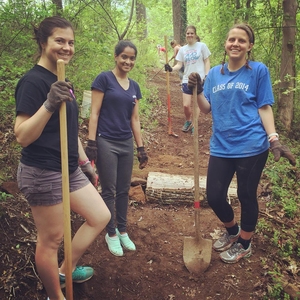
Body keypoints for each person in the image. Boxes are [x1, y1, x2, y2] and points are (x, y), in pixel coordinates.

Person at [14, 16, 111, 300]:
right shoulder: (32, 82)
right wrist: (48, 104)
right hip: (42, 171)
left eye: (70, 42)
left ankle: (63, 270)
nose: (67, 47)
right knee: (52, 240)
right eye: (60, 41)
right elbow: (22, 135)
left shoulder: (61, 80)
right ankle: (55, 294)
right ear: (43, 42)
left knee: (100, 215)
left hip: (69, 168)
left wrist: (84, 164)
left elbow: (67, 131)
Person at [188, 23, 296, 264]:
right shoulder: (215, 73)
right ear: (225, 44)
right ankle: (233, 229)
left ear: (250, 46)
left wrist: (274, 139)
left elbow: (264, 106)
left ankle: (244, 243)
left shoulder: (258, 70)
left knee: (246, 195)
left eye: (241, 40)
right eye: (231, 40)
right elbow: (206, 109)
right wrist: (197, 90)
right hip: (221, 146)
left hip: (251, 147)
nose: (235, 44)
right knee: (215, 196)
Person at [85, 40, 148, 257]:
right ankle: (110, 233)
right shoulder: (104, 79)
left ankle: (122, 229)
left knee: (123, 189)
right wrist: (91, 142)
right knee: (109, 190)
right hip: (105, 141)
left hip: (125, 142)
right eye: (124, 57)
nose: (128, 61)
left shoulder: (134, 87)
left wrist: (141, 148)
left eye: (131, 58)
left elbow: (135, 119)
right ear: (116, 56)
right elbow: (94, 112)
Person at [165, 25, 211, 135]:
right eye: (188, 33)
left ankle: (194, 124)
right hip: (186, 79)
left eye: (191, 33)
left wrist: (206, 75)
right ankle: (188, 120)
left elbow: (207, 61)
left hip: (199, 79)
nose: (189, 35)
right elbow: (179, 65)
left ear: (195, 34)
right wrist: (171, 68)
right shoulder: (182, 50)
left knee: (197, 104)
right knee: (186, 105)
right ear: (185, 35)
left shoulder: (202, 46)